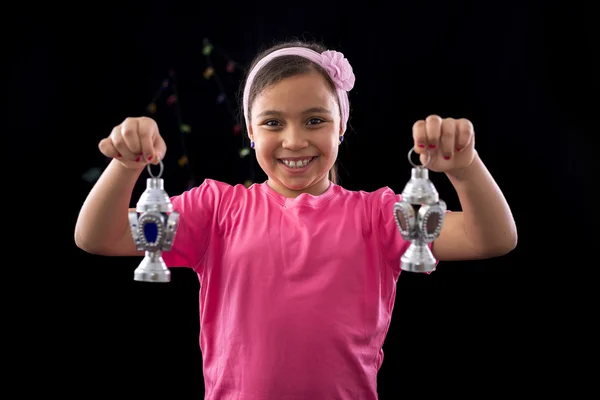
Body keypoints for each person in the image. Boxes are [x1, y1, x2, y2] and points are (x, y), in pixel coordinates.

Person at [75, 39, 517, 399]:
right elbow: (100, 236)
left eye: (314, 120)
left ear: (340, 125)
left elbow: (491, 239)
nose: (294, 140)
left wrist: (464, 167)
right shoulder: (216, 210)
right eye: (272, 123)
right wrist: (127, 164)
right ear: (250, 131)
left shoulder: (379, 215)